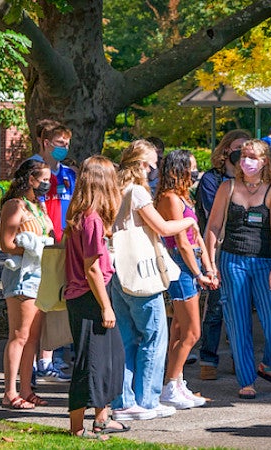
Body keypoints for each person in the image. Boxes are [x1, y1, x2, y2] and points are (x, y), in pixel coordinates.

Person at [109, 140, 198, 421]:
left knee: (126, 339)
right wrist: (189, 221)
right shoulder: (136, 192)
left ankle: (123, 401)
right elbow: (163, 227)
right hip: (141, 272)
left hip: (118, 272)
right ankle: (147, 400)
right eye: (150, 165)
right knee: (154, 336)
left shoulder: (114, 189)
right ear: (140, 165)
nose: (154, 170)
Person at [205, 139, 271, 400]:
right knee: (237, 322)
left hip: (265, 262)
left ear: (264, 161)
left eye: (252, 156)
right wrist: (210, 264)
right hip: (233, 262)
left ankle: (270, 366)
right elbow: (212, 227)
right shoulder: (227, 186)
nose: (246, 161)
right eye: (243, 155)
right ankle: (246, 380)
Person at [63, 155, 128, 440]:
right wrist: (106, 307)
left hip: (89, 295)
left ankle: (102, 419)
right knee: (89, 363)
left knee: (107, 360)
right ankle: (76, 427)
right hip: (90, 297)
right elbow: (91, 269)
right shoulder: (91, 219)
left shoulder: (86, 216)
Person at [155, 150, 218, 409]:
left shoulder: (185, 197)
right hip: (181, 265)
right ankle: (170, 385)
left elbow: (197, 237)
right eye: (191, 168)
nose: (195, 172)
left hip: (192, 260)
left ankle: (177, 382)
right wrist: (198, 274)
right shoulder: (169, 198)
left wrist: (209, 265)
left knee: (181, 330)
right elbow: (181, 242)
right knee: (192, 331)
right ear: (178, 170)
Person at [196, 129, 251, 381]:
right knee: (216, 306)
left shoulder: (252, 180)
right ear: (226, 149)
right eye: (237, 147)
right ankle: (208, 358)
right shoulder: (211, 180)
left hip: (243, 248)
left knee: (241, 306)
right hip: (218, 249)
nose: (241, 153)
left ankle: (240, 357)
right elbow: (212, 214)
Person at [0, 159, 54, 409]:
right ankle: (9, 393)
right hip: (22, 275)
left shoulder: (38, 205)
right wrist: (35, 248)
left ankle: (27, 389)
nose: (47, 184)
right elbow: (6, 244)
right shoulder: (15, 205)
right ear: (30, 179)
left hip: (40, 274)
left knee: (33, 338)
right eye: (43, 180)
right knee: (19, 336)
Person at [29, 119, 75, 382]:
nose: (64, 148)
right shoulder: (34, 168)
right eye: (59, 143)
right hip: (41, 243)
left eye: (67, 144)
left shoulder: (68, 173)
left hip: (63, 242)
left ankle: (48, 359)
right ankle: (35, 361)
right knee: (39, 302)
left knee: (54, 301)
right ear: (46, 143)